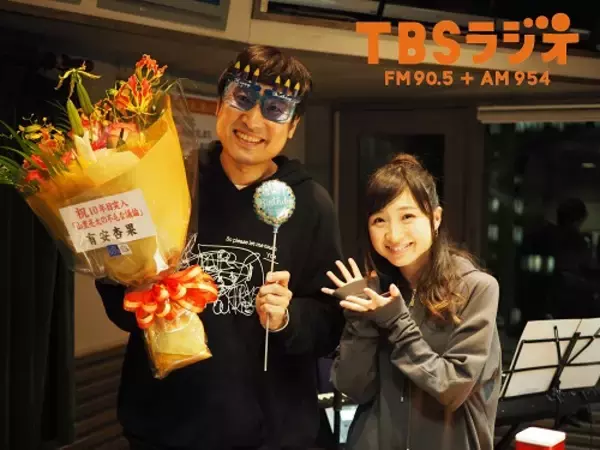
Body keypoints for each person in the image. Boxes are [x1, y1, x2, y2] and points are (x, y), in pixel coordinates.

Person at [96, 45, 344, 450]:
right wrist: (135, 291)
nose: (253, 120)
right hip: (164, 431)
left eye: (275, 109)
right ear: (219, 106)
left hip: (271, 436)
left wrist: (288, 317)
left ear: (293, 126)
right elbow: (119, 304)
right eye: (242, 98)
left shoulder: (312, 204)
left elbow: (331, 323)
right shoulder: (170, 180)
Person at [323, 154, 502, 450]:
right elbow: (353, 388)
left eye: (407, 217)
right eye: (379, 220)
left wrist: (396, 322)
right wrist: (360, 317)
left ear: (435, 218)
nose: (394, 235)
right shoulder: (377, 288)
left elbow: (451, 388)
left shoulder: (476, 288)